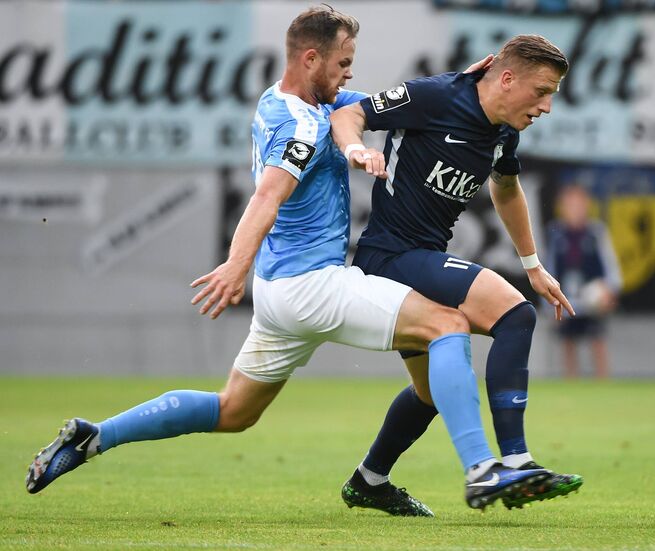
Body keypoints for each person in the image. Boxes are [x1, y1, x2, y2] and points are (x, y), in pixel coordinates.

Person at [24, 5, 553, 514]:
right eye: (343, 63)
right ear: (310, 59)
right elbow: (267, 197)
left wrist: (467, 84)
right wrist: (235, 264)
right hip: (312, 283)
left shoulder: (286, 100)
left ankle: (96, 436)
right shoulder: (301, 126)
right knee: (447, 324)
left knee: (233, 411)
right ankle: (484, 468)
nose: (350, 73)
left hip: (280, 292)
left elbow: (400, 106)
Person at [330, 34, 583, 513]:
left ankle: (369, 479)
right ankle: (514, 460)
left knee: (429, 392)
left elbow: (506, 188)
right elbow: (349, 115)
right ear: (506, 79)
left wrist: (533, 265)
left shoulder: (506, 126)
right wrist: (354, 150)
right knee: (515, 315)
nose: (547, 106)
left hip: (419, 260)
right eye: (542, 91)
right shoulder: (437, 96)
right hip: (391, 256)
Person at [545, 184, 621, 378]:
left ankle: (603, 382)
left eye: (578, 204)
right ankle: (572, 384)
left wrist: (609, 291)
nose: (574, 209)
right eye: (570, 205)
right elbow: (548, 270)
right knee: (568, 342)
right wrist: (550, 301)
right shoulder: (556, 234)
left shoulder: (596, 232)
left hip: (593, 298)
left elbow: (611, 267)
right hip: (568, 299)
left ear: (587, 206)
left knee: (597, 340)